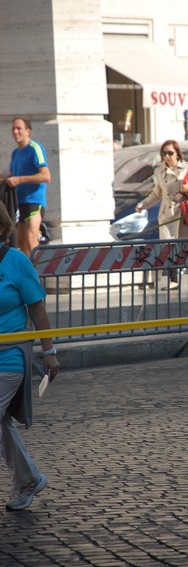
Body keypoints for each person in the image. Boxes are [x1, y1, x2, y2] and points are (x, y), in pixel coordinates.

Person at [0, 200, 59, 510]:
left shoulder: (17, 262)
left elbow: (37, 309)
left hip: (9, 359)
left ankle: (27, 480)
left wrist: (49, 352)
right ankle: (28, 479)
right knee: (2, 425)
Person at [135, 139, 188, 290]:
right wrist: (143, 205)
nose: (167, 156)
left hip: (186, 213)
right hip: (168, 214)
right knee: (169, 247)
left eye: (170, 153)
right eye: (164, 153)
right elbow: (156, 194)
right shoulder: (159, 171)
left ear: (177, 154)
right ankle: (174, 280)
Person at [5, 118, 51, 257]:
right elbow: (12, 175)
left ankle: (36, 276)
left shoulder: (34, 148)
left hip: (34, 200)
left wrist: (19, 180)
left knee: (31, 241)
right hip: (19, 202)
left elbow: (45, 176)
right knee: (20, 242)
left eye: (19, 128)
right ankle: (27, 275)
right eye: (13, 129)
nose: (15, 132)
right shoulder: (15, 153)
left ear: (28, 131)